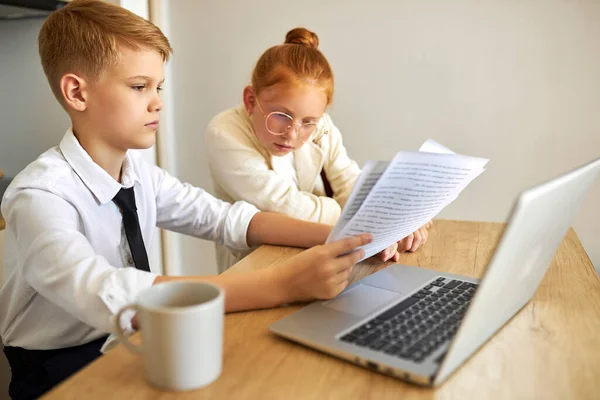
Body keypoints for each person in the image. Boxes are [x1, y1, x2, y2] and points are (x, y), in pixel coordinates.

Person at [0, 3, 370, 399]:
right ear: (77, 92)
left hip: (136, 337)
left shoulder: (139, 173)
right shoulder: (39, 195)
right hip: (61, 368)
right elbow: (107, 292)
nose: (158, 102)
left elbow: (226, 219)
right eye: (139, 87)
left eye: (158, 87)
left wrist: (341, 236)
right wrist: (281, 284)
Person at [205, 27, 431, 272]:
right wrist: (369, 220)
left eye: (308, 122)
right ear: (251, 100)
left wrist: (397, 217)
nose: (292, 134)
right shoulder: (224, 133)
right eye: (281, 116)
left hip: (319, 259)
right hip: (255, 268)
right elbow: (285, 206)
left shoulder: (321, 126)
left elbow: (349, 181)